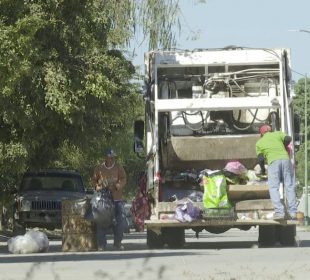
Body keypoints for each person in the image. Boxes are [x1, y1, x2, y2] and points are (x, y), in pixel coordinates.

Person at [255, 124, 297, 220]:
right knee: (289, 185)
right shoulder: (278, 134)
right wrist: (283, 146)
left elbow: (260, 159)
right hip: (285, 160)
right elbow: (288, 138)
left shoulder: (259, 143)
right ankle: (293, 212)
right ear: (270, 130)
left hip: (273, 162)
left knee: (274, 187)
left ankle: (279, 212)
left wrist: (262, 170)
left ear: (261, 133)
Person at [92, 148, 127, 250]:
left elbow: (124, 178)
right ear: (105, 157)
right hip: (103, 200)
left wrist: (118, 185)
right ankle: (102, 244)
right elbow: (94, 180)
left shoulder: (118, 167)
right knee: (101, 221)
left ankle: (118, 243)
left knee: (120, 220)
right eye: (109, 157)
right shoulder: (99, 168)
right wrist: (97, 186)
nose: (111, 159)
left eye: (113, 157)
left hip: (116, 199)